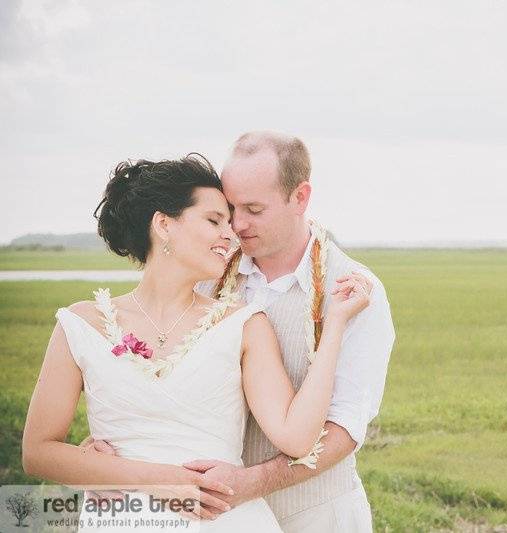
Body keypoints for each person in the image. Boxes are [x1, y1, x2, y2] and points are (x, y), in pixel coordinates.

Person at [22, 154, 373, 531]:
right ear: (163, 225)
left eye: (229, 222)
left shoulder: (243, 323)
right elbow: (38, 453)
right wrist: (155, 479)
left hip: (222, 520)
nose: (231, 234)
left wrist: (334, 323)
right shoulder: (80, 324)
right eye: (213, 221)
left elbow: (298, 437)